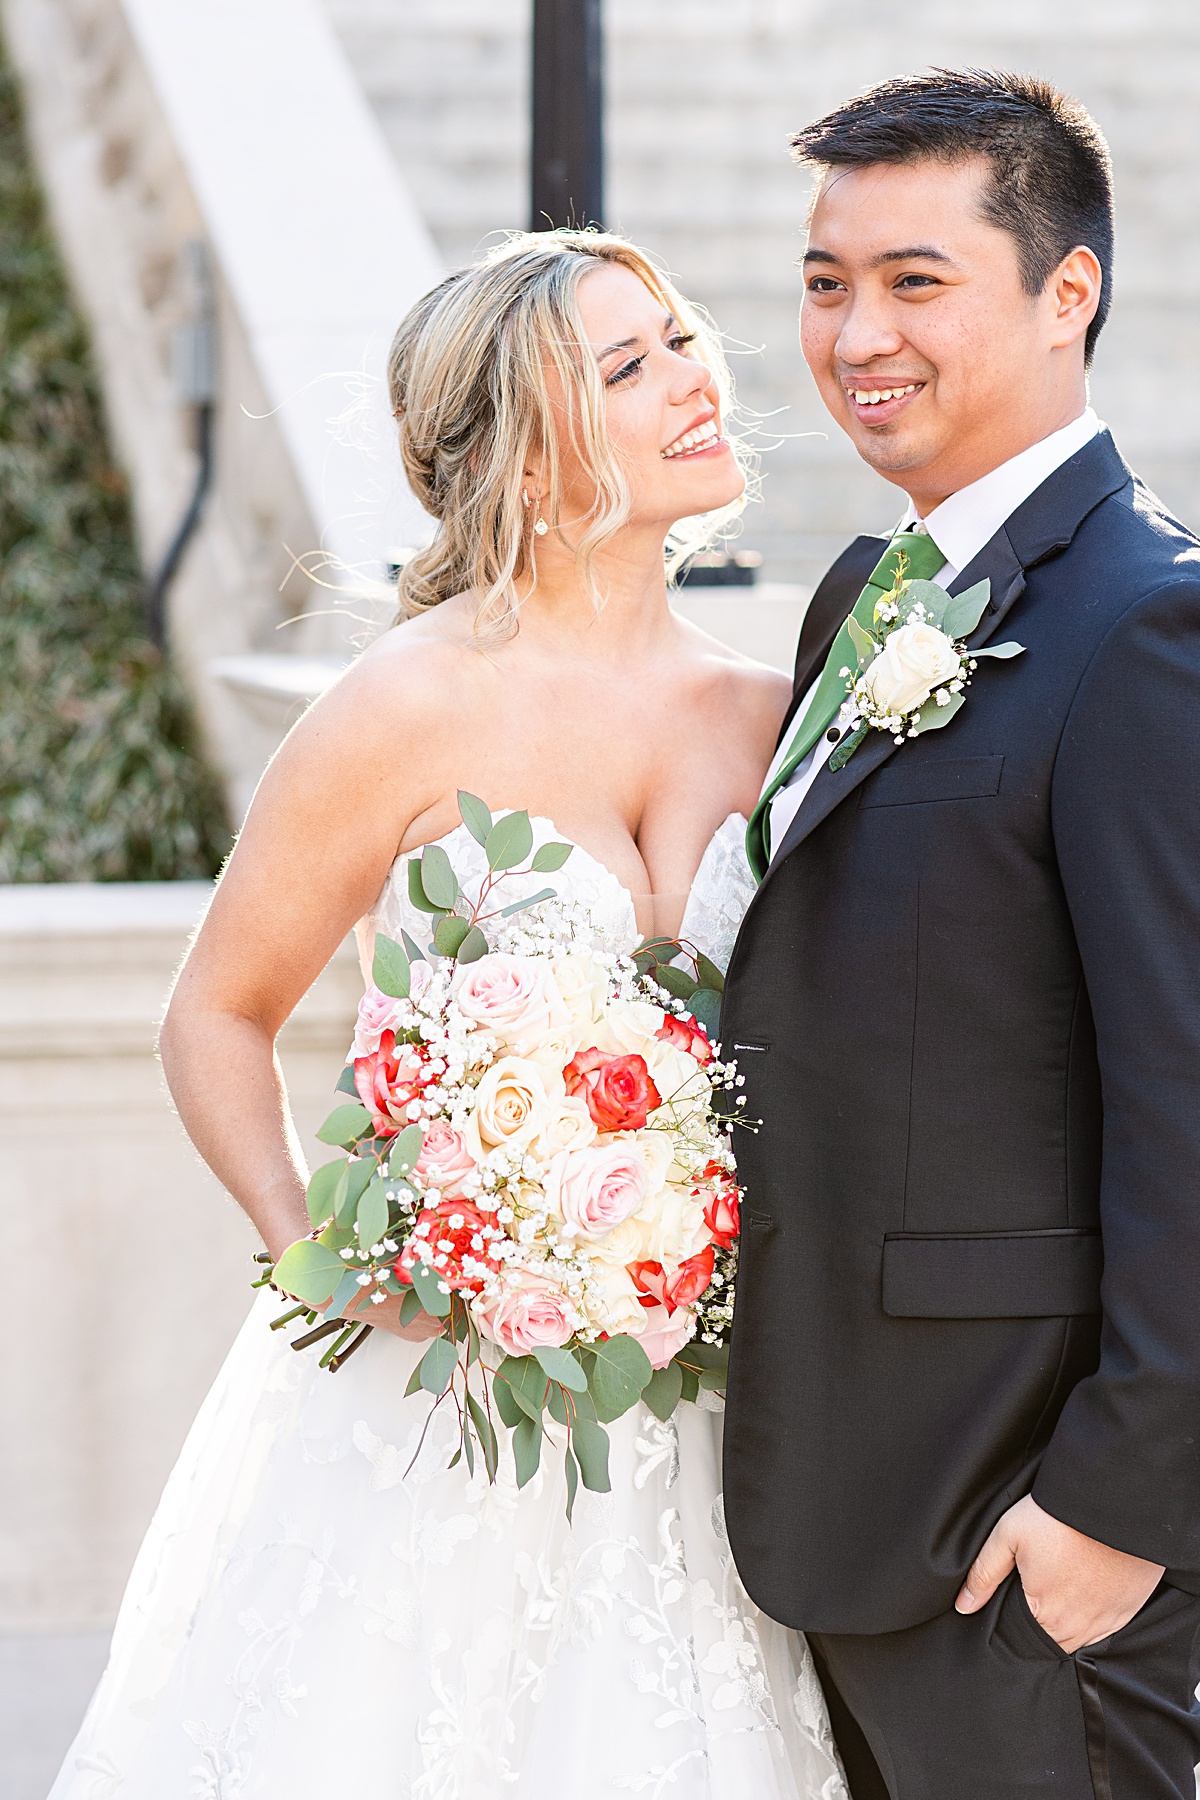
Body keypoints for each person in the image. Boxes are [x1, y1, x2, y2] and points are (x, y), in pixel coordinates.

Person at [48, 231, 845, 1800]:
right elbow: (216, 1014)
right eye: (627, 367)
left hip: (695, 1423)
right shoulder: (405, 705)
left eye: (679, 338)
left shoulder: (772, 715)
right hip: (431, 1408)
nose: (695, 378)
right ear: (529, 460)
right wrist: (318, 1255)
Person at [722, 68, 1200, 1800]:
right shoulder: (868, 596)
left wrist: (1114, 1512)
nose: (857, 333)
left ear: (1066, 291)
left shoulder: (1151, 628)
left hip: (1026, 1538)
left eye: (916, 281)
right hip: (840, 1497)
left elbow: (1190, 1101)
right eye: (826, 281)